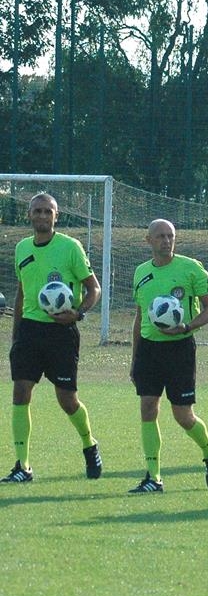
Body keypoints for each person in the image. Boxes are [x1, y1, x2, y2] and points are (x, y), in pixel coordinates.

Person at [3, 192, 103, 484]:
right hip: (30, 331)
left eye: (49, 211)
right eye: (38, 211)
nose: (43, 216)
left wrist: (79, 313)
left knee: (67, 400)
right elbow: (22, 293)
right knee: (21, 393)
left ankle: (89, 443)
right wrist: (15, 335)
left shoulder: (70, 247)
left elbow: (93, 289)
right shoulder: (22, 248)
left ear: (56, 216)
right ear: (29, 215)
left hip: (61, 332)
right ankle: (23, 466)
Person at [128, 219, 208, 493]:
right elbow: (138, 317)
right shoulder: (141, 273)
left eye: (170, 236)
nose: (166, 241)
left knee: (183, 415)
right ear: (149, 240)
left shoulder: (190, 268)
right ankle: (153, 477)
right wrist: (134, 359)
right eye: (160, 236)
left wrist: (188, 327)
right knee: (147, 407)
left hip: (180, 349)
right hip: (148, 349)